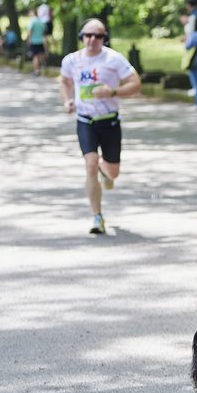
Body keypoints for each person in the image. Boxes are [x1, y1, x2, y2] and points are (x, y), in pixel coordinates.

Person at [59, 18, 142, 235]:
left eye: (98, 36)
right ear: (81, 37)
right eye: (88, 35)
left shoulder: (113, 59)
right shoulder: (71, 60)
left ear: (104, 38)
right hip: (85, 120)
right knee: (90, 164)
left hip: (110, 121)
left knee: (113, 173)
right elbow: (65, 80)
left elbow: (136, 84)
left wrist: (112, 92)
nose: (92, 40)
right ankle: (97, 217)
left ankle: (107, 173)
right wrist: (68, 100)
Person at [27, 9, 47, 76]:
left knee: (35, 57)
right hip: (41, 41)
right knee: (40, 55)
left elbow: (29, 31)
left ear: (33, 13)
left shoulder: (32, 21)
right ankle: (41, 68)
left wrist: (29, 40)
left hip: (34, 41)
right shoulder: (42, 22)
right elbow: (44, 33)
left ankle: (36, 71)